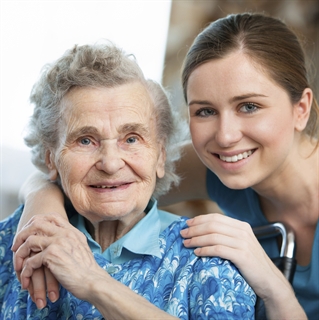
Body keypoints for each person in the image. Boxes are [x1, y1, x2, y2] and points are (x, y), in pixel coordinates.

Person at [12, 11, 318, 319]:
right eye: (205, 111)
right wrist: (44, 213)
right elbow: (83, 175)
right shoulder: (214, 163)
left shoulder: (207, 262)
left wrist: (274, 286)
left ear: (301, 109)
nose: (225, 136)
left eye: (249, 106)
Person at [0, 42, 256, 319]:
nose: (110, 164)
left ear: (160, 156)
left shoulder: (209, 256)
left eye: (132, 139)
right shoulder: (16, 240)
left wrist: (93, 281)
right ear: (51, 160)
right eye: (86, 140)